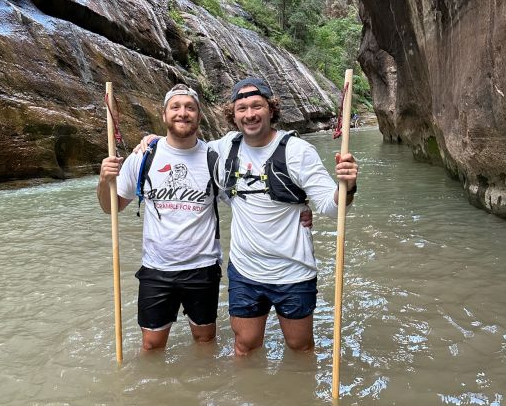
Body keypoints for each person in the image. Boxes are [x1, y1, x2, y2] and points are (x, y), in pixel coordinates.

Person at [211, 77, 359, 356]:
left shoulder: (298, 152)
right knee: (244, 345)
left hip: (293, 271)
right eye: (241, 108)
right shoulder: (224, 148)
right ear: (233, 115)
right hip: (245, 271)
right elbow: (187, 147)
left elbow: (332, 207)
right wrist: (152, 141)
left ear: (271, 109)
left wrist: (348, 186)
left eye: (257, 106)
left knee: (299, 346)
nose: (250, 114)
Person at [97, 84, 222, 351]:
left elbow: (246, 198)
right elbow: (112, 208)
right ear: (164, 116)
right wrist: (103, 180)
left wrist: (300, 210)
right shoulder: (144, 156)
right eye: (175, 107)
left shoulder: (215, 157)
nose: (182, 113)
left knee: (205, 341)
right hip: (156, 268)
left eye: (190, 108)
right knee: (152, 346)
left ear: (199, 116)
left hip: (202, 267)